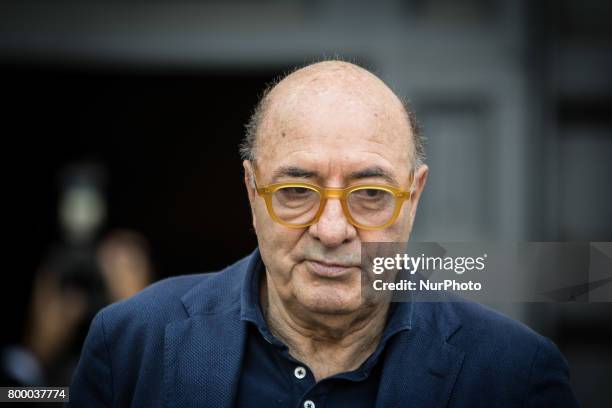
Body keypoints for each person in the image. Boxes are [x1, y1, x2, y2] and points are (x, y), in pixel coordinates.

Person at [69, 61, 579, 407]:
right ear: (251, 191)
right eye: (296, 190)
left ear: (414, 196)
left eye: (371, 195)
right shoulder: (130, 344)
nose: (332, 230)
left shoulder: (517, 372)